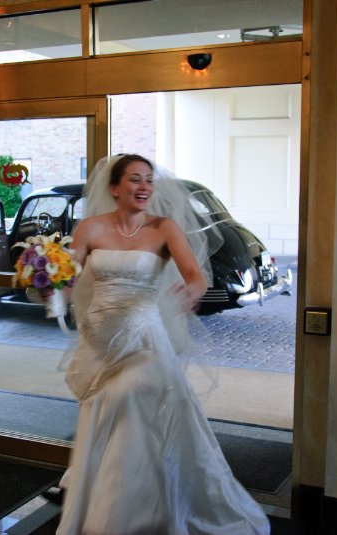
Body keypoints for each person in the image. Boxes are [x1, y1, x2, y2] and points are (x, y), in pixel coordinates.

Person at [54, 154, 270, 534]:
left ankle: (144, 511)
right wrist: (48, 288)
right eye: (135, 179)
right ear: (114, 188)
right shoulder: (89, 228)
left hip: (144, 335)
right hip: (100, 338)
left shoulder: (164, 228)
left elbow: (196, 275)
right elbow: (68, 282)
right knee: (105, 412)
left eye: (148, 180)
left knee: (133, 398)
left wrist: (190, 291)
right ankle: (102, 507)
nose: (144, 187)